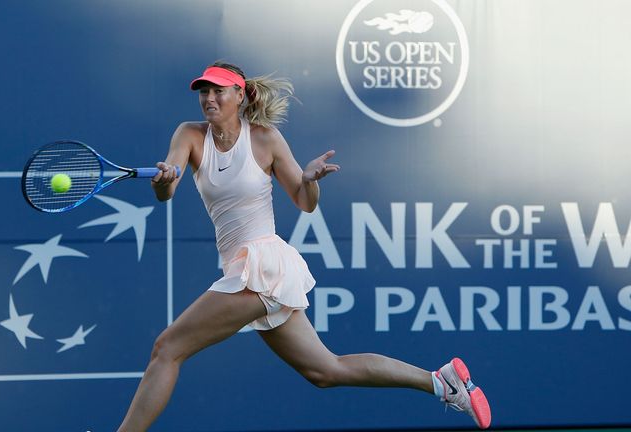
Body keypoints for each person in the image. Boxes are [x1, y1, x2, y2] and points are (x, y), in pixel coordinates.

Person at [117, 62, 491, 431]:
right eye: (204, 91)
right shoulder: (189, 135)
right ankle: (441, 382)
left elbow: (305, 201)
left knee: (167, 349)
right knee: (325, 370)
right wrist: (163, 179)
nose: (209, 98)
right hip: (247, 269)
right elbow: (168, 189)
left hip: (262, 267)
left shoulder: (265, 138)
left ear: (239, 95)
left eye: (218, 90)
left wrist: (310, 180)